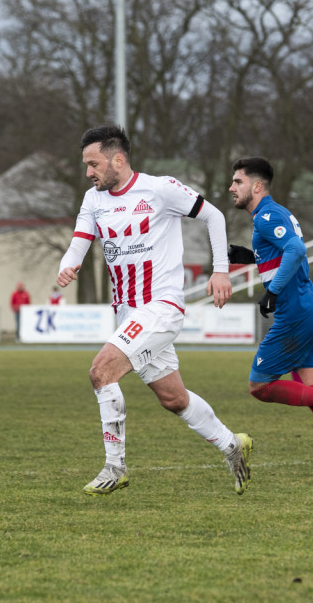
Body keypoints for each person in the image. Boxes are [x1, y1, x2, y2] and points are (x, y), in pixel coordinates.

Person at [56, 124, 252, 496]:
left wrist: (222, 270)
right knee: (173, 398)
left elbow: (215, 216)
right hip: (128, 315)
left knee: (101, 372)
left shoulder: (160, 189)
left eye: (93, 164)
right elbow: (80, 240)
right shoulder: (93, 200)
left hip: (160, 307)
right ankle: (233, 444)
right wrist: (68, 264)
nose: (88, 172)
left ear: (118, 159)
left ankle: (115, 467)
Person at [227, 157, 313, 472]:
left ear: (257, 186)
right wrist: (250, 257)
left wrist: (273, 291)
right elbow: (285, 251)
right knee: (308, 388)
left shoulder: (266, 215)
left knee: (260, 386)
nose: (231, 187)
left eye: (238, 181)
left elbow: (296, 251)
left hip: (296, 312)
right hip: (312, 306)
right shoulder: (275, 213)